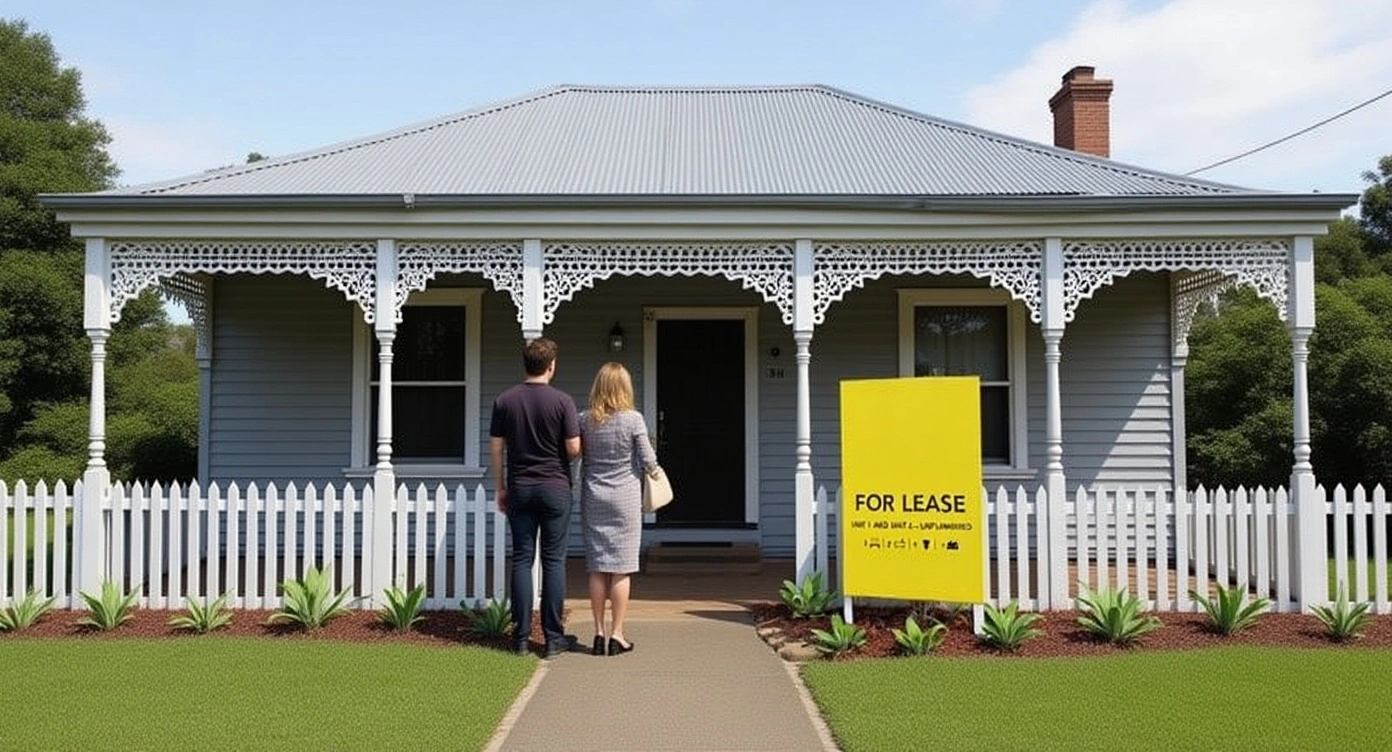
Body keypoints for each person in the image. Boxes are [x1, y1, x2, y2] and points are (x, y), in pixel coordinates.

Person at [489, 337, 581, 658]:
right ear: (551, 365)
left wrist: (501, 487)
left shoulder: (505, 401)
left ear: (525, 364)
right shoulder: (563, 402)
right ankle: (554, 638)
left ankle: (522, 638)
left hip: (521, 488)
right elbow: (572, 449)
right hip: (555, 488)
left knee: (523, 559)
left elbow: (497, 447)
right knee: (554, 561)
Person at [578, 362, 658, 656]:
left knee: (598, 566)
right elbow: (648, 460)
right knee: (622, 569)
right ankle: (618, 634)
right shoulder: (633, 419)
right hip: (624, 499)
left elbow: (574, 452)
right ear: (625, 388)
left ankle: (598, 634)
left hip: (594, 496)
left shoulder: (584, 419)